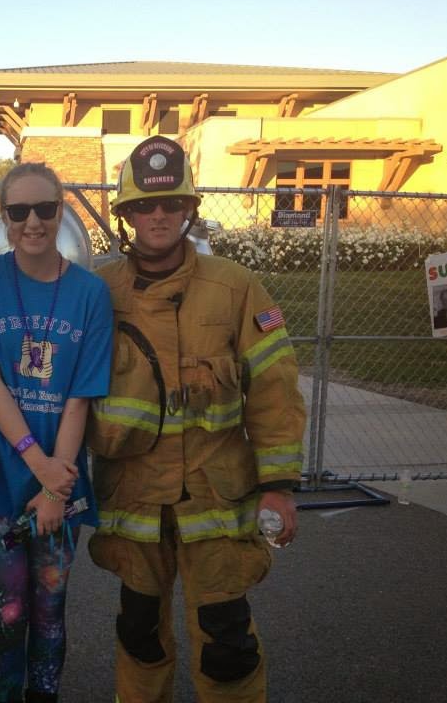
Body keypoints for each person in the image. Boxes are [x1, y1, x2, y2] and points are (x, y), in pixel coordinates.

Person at [86, 135, 306, 703]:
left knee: (226, 642)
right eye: (144, 205)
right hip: (135, 498)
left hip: (216, 498)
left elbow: (275, 388)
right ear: (126, 215)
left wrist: (279, 485)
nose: (158, 216)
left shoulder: (235, 287)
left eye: (170, 203)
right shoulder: (98, 292)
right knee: (139, 632)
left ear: (189, 208)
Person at [0, 162, 114, 703]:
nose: (33, 223)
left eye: (45, 208)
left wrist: (54, 489)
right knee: (10, 613)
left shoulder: (90, 294)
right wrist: (37, 465)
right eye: (19, 211)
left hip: (59, 480)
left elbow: (79, 396)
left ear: (61, 211)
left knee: (49, 615)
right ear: (4, 216)